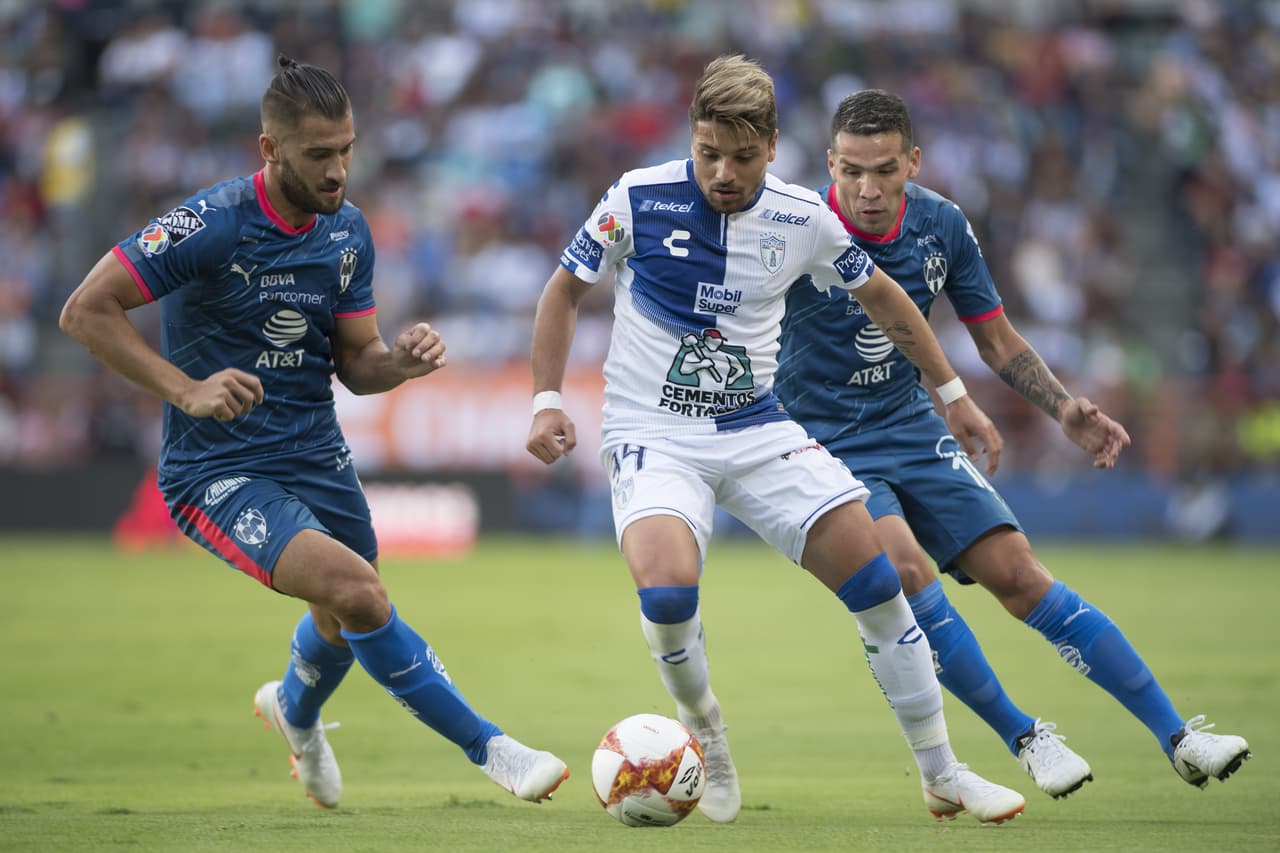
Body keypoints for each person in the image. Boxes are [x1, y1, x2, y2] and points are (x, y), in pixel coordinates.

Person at [526, 54, 1026, 826]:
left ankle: (942, 772)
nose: (723, 172)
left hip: (758, 427)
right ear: (692, 139)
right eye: (708, 152)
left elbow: (886, 297)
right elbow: (564, 289)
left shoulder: (803, 219)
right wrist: (547, 399)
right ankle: (706, 729)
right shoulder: (636, 197)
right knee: (667, 592)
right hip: (655, 433)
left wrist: (953, 393)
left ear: (773, 146)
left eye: (742, 156)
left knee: (879, 580)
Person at [59, 55, 568, 810]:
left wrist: (398, 363)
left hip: (316, 454)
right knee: (359, 592)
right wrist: (187, 390)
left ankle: (294, 713)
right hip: (219, 470)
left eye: (347, 150)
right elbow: (84, 310)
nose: (337, 171)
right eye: (319, 153)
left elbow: (356, 363)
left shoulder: (348, 231)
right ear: (270, 149)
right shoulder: (209, 224)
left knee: (339, 614)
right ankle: (493, 748)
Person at [774, 88, 1251, 799]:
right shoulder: (794, 226)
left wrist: (1063, 408)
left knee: (1022, 576)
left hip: (908, 423)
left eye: (884, 170)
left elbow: (993, 336)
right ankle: (1026, 737)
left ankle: (1180, 737)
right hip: (823, 443)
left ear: (913, 162)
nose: (867, 189)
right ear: (829, 164)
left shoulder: (940, 224)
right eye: (851, 171)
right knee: (905, 572)